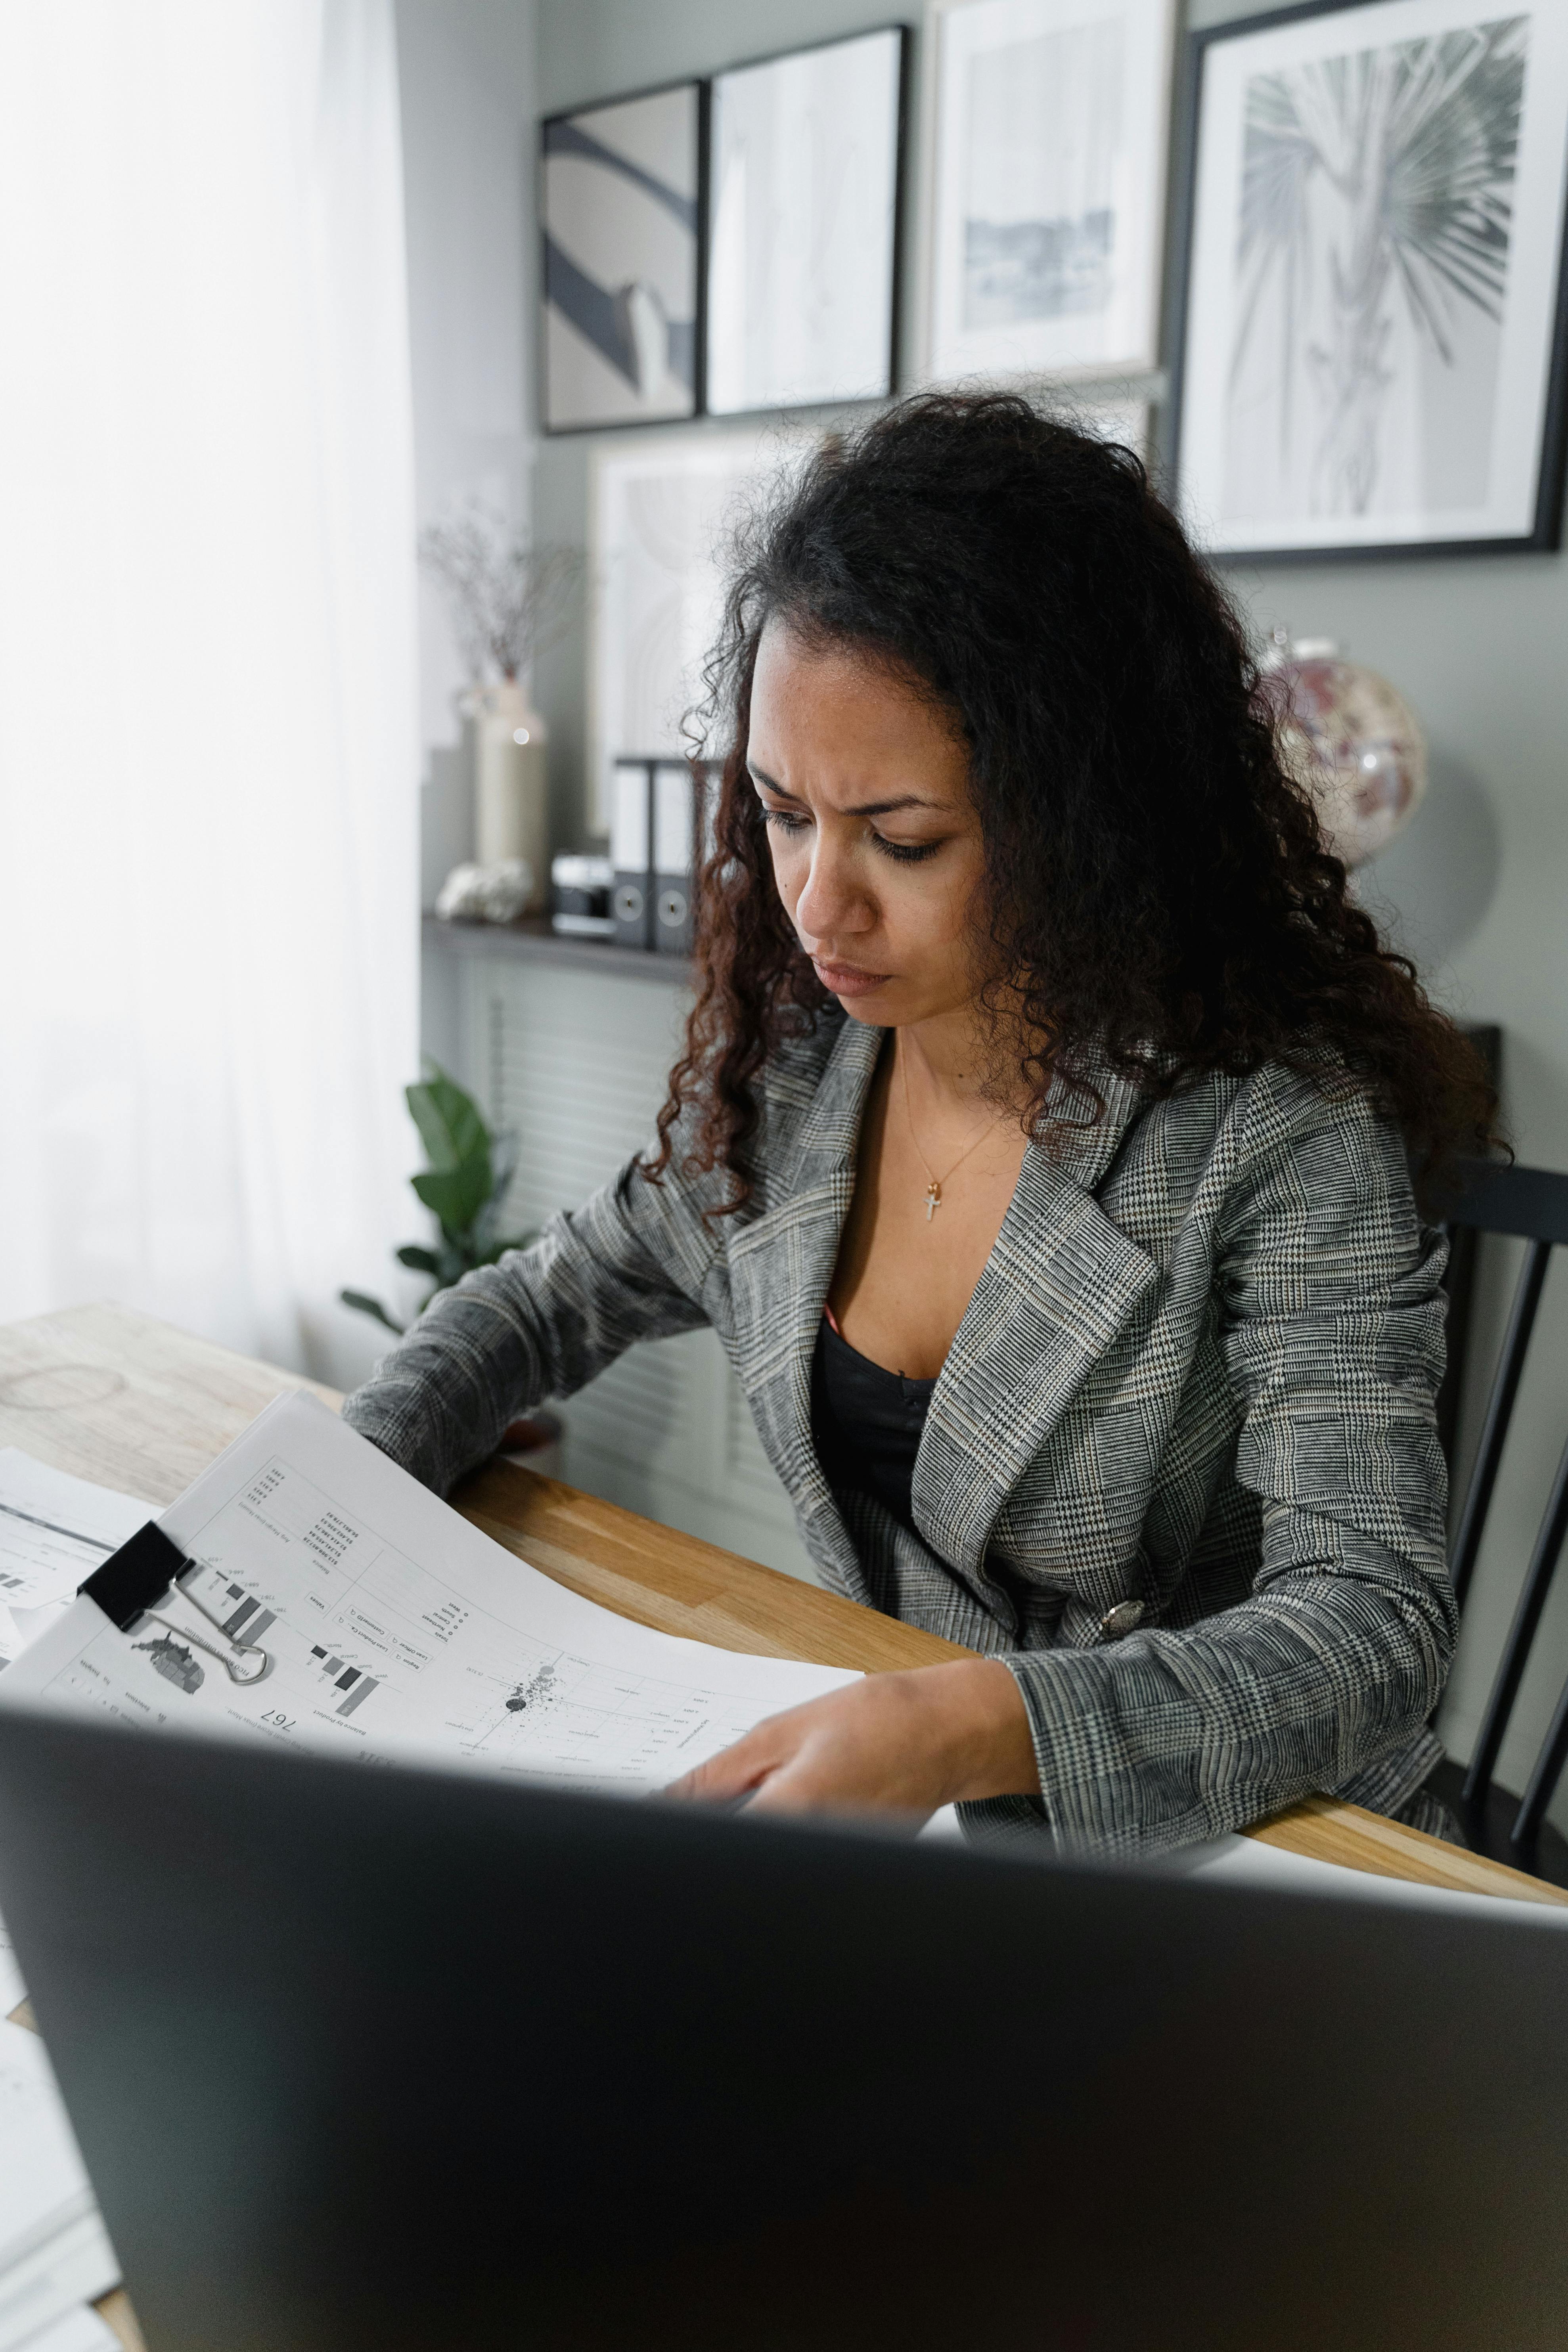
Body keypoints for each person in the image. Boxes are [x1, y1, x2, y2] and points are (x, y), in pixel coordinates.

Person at [346, 394, 1495, 1856]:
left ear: (1083, 815)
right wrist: (339, 1497)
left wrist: (973, 1725)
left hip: (1249, 1856)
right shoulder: (804, 1069)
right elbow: (541, 1302)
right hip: (933, 1834)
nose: (819, 903)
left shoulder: (1273, 1130)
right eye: (779, 812)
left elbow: (1370, 1623)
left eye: (903, 838)